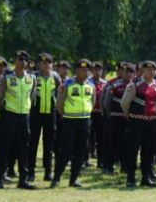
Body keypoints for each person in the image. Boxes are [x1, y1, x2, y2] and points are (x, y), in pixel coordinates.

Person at [0, 51, 36, 190]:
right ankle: (0, 179)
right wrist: (3, 113)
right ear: (14, 60)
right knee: (4, 148)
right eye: (20, 59)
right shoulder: (6, 78)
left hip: (24, 117)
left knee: (23, 149)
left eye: (26, 59)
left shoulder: (32, 78)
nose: (23, 61)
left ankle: (22, 179)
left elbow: (32, 96)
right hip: (10, 116)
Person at [52, 59, 95, 188]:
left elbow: (92, 102)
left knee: (80, 151)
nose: (86, 72)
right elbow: (59, 104)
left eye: (88, 70)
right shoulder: (67, 85)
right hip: (70, 121)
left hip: (85, 121)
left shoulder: (90, 85)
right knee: (66, 150)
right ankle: (56, 177)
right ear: (76, 71)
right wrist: (66, 115)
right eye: (83, 70)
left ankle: (74, 178)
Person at [122, 60, 156, 188]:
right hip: (136, 122)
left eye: (154, 70)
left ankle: (146, 177)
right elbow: (124, 103)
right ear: (143, 70)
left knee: (149, 151)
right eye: (148, 69)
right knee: (132, 149)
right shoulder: (135, 85)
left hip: (151, 122)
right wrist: (131, 116)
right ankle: (131, 178)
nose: (152, 72)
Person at [28, 53, 60, 183]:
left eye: (48, 63)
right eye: (43, 63)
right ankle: (30, 172)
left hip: (50, 114)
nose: (46, 65)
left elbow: (58, 95)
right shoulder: (34, 76)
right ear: (39, 64)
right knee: (33, 143)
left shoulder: (56, 77)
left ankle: (48, 172)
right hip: (36, 113)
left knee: (49, 144)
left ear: (51, 65)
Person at [101, 62, 132, 175]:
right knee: (112, 142)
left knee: (126, 143)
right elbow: (106, 103)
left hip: (128, 119)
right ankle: (107, 166)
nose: (127, 74)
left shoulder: (134, 86)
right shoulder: (115, 86)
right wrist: (110, 115)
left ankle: (124, 166)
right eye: (125, 72)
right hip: (115, 118)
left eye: (129, 72)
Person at [89, 62, 106, 166]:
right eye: (96, 70)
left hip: (100, 114)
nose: (98, 72)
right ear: (92, 71)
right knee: (88, 137)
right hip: (90, 113)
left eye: (100, 70)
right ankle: (85, 159)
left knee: (101, 138)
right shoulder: (88, 82)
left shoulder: (104, 83)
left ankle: (100, 161)